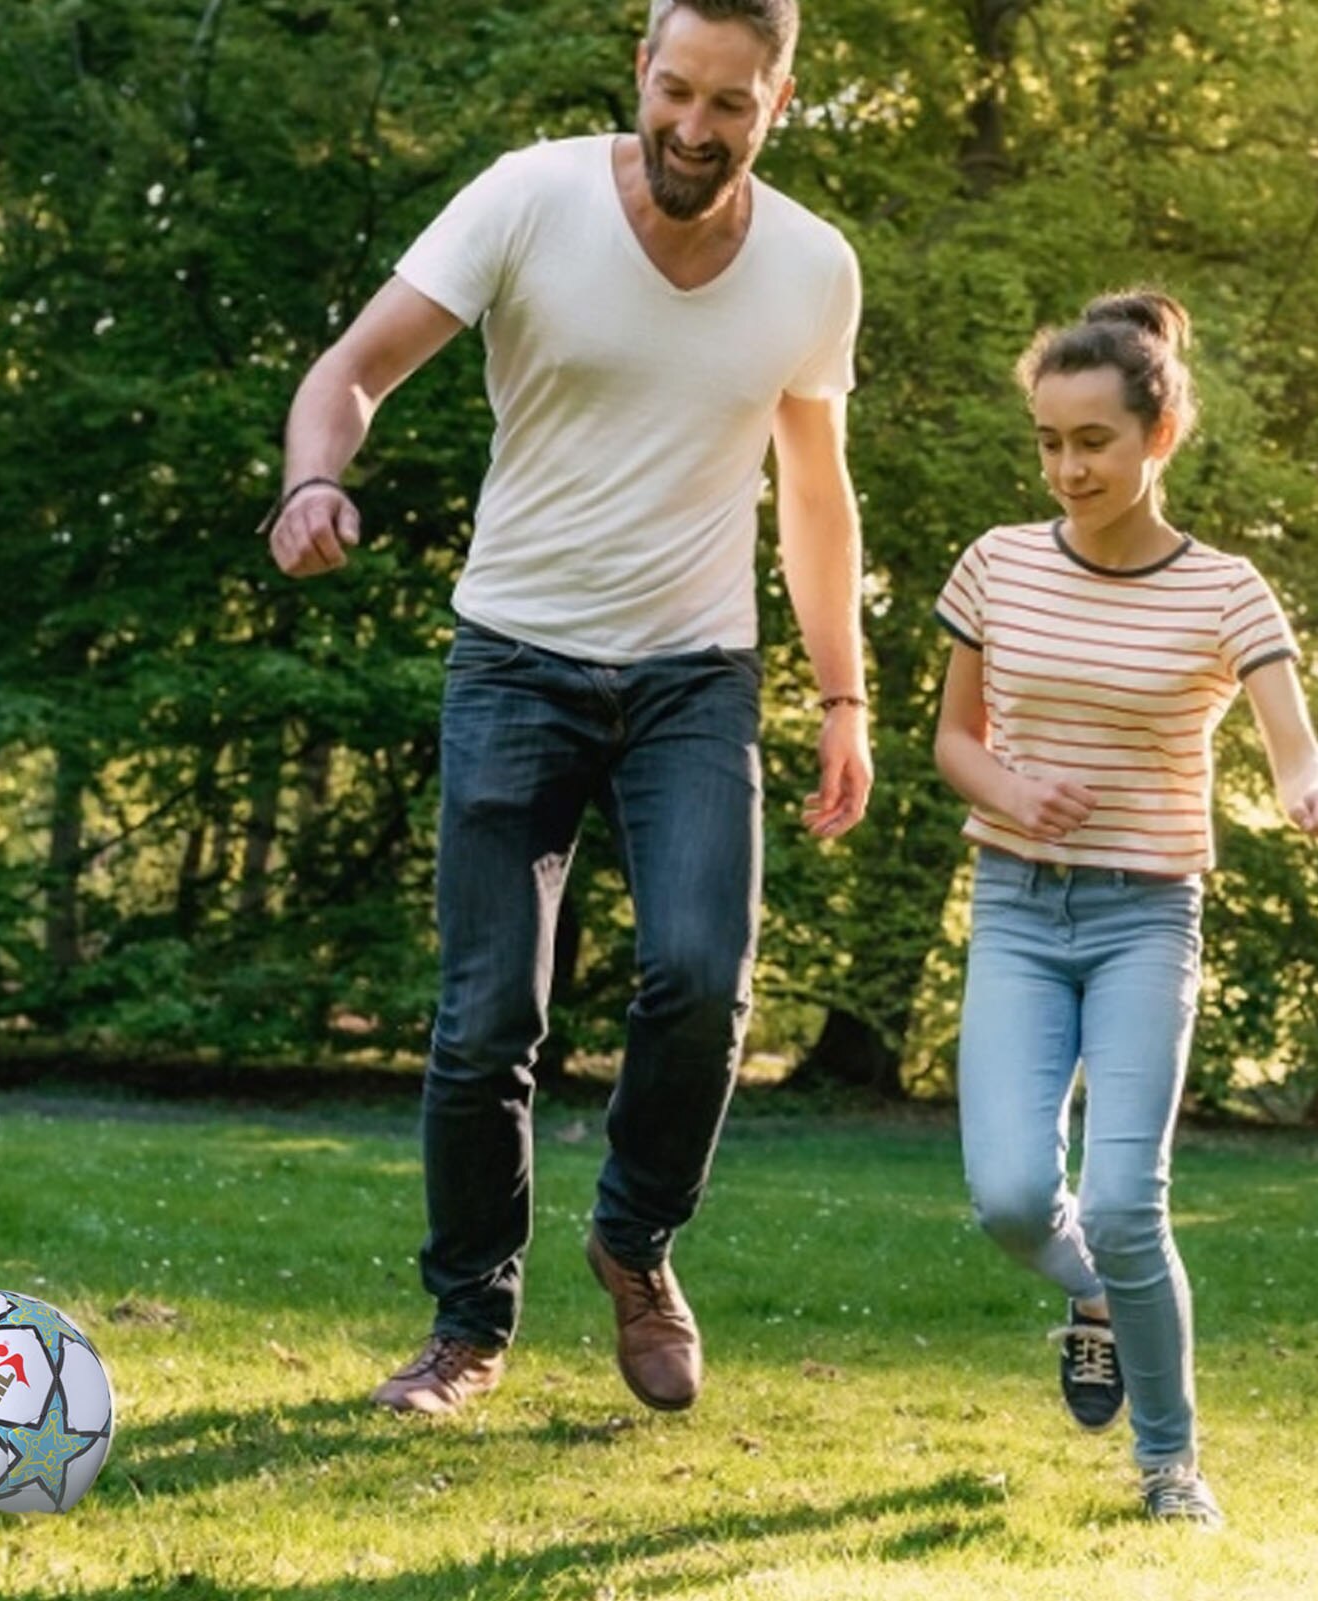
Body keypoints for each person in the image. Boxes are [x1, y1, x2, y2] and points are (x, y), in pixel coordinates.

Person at [266, 0, 871, 1416]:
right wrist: (311, 481)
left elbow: (817, 497)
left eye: (730, 104)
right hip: (515, 659)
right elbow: (346, 372)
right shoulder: (529, 196)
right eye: (675, 90)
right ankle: (467, 1324)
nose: (693, 127)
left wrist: (843, 693)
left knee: (705, 981)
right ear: (641, 75)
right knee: (486, 1021)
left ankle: (634, 1240)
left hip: (694, 675)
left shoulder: (810, 268)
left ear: (773, 105)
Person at [933, 289, 1318, 1527]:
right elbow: (953, 738)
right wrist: (1009, 781)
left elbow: (1293, 754)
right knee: (1010, 1196)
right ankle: (1097, 1295)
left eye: (1091, 441)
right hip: (1012, 906)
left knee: (1123, 1199)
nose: (1065, 467)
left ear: (1155, 437)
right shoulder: (995, 563)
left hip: (1142, 918)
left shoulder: (1226, 592)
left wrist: (1317, 794)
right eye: (1048, 442)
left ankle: (1169, 1463)